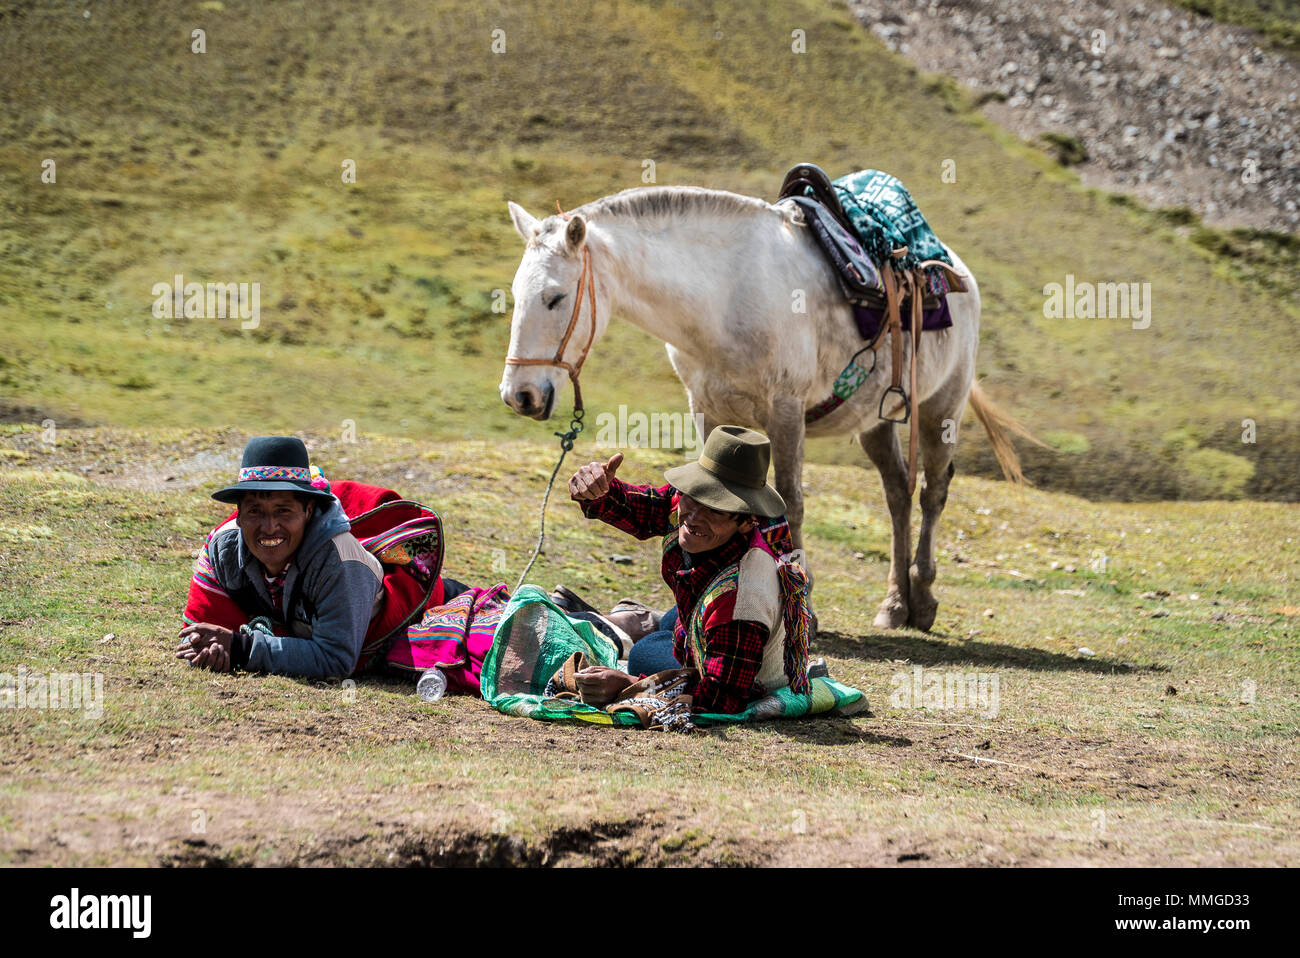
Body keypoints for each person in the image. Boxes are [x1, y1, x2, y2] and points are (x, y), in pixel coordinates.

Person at [567, 425, 812, 713]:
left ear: (747, 522)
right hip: (710, 619)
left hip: (740, 652)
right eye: (693, 497)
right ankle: (659, 621)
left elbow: (721, 697)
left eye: (716, 509)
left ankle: (650, 624)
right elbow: (647, 508)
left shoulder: (742, 599)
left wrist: (628, 684)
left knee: (645, 654)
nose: (693, 518)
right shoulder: (692, 509)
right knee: (673, 623)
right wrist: (597, 491)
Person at [176, 436, 462, 679]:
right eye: (255, 511)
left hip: (420, 610)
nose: (269, 527)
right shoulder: (221, 548)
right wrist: (210, 649)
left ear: (309, 511)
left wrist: (243, 649)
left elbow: (336, 659)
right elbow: (199, 629)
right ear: (238, 515)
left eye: (283, 511)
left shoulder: (341, 561)